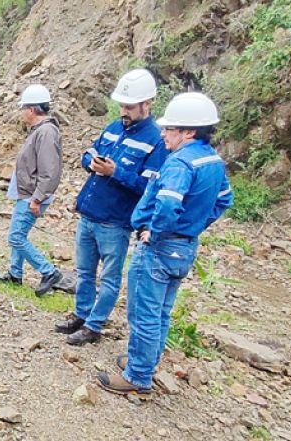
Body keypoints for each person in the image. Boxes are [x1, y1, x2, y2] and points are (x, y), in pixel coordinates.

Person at [96, 92, 233, 396]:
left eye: (170, 129)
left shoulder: (180, 162)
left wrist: (155, 231)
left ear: (189, 132)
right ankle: (145, 362)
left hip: (160, 247)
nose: (163, 134)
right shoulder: (212, 160)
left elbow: (168, 204)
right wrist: (194, 224)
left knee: (144, 312)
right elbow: (224, 199)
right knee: (161, 312)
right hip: (184, 247)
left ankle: (137, 376)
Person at [56, 69, 169, 346]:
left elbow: (149, 187)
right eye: (122, 105)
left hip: (115, 222)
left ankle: (94, 326)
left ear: (147, 103)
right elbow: (89, 153)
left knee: (109, 278)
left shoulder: (156, 140)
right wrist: (91, 163)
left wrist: (116, 172)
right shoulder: (113, 128)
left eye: (129, 106)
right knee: (84, 272)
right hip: (89, 213)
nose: (124, 111)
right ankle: (81, 314)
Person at [0, 84, 65, 297]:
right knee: (20, 234)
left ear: (31, 109)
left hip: (32, 195)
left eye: (23, 108)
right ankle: (15, 273)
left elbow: (49, 171)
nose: (21, 112)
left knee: (16, 237)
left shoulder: (46, 132)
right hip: (27, 193)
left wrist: (37, 198)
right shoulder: (40, 131)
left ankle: (49, 272)